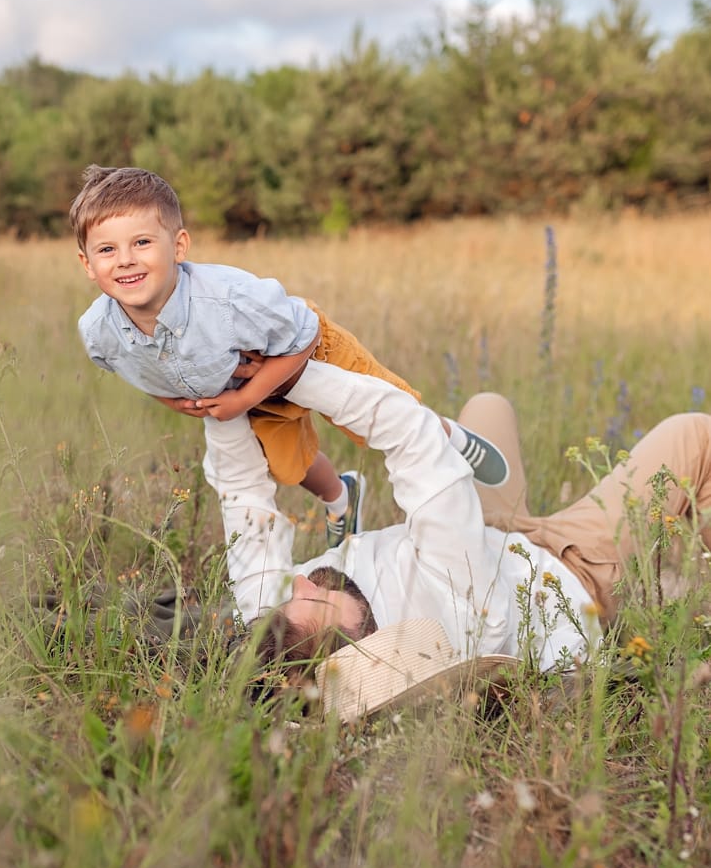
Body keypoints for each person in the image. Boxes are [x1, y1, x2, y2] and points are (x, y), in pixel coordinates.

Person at [71, 165, 508, 547]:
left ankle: (451, 436)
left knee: (388, 407)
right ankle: (342, 498)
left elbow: (304, 333)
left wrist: (241, 402)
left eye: (142, 242)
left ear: (179, 247)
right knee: (287, 464)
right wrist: (176, 401)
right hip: (247, 387)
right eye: (107, 250)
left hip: (310, 351)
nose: (125, 261)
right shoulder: (100, 331)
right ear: (88, 263)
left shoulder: (227, 300)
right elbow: (138, 367)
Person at [201, 359, 711, 673]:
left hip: (490, 538)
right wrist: (295, 374)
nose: (304, 583)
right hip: (572, 572)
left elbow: (243, 498)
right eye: (326, 598)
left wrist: (219, 395)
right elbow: (409, 437)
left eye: (293, 598)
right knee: (695, 437)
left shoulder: (277, 617)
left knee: (487, 405)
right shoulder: (452, 618)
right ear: (374, 639)